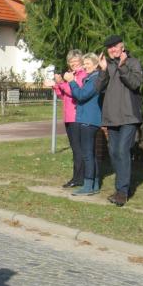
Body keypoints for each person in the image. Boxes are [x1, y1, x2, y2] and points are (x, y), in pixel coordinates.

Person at [96, 34, 143, 207]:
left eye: (115, 46)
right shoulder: (107, 66)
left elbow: (135, 83)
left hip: (129, 116)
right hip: (112, 117)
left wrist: (123, 67)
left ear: (122, 47)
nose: (112, 50)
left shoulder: (133, 63)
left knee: (123, 151)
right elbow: (98, 88)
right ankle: (122, 188)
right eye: (109, 48)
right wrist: (102, 70)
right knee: (114, 152)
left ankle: (122, 192)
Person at [65, 53, 103, 195]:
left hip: (89, 119)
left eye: (88, 64)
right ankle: (95, 184)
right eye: (84, 63)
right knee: (90, 153)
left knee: (87, 154)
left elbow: (81, 95)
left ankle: (88, 186)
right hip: (86, 118)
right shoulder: (91, 78)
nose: (85, 66)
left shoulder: (94, 79)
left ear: (96, 65)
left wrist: (72, 82)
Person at [53, 50, 87, 188]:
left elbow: (75, 92)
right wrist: (57, 84)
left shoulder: (82, 75)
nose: (74, 64)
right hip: (68, 116)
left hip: (77, 116)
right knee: (75, 148)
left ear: (81, 61)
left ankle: (79, 178)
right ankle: (78, 177)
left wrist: (63, 83)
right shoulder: (71, 75)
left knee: (78, 149)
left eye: (76, 61)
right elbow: (63, 95)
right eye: (71, 61)